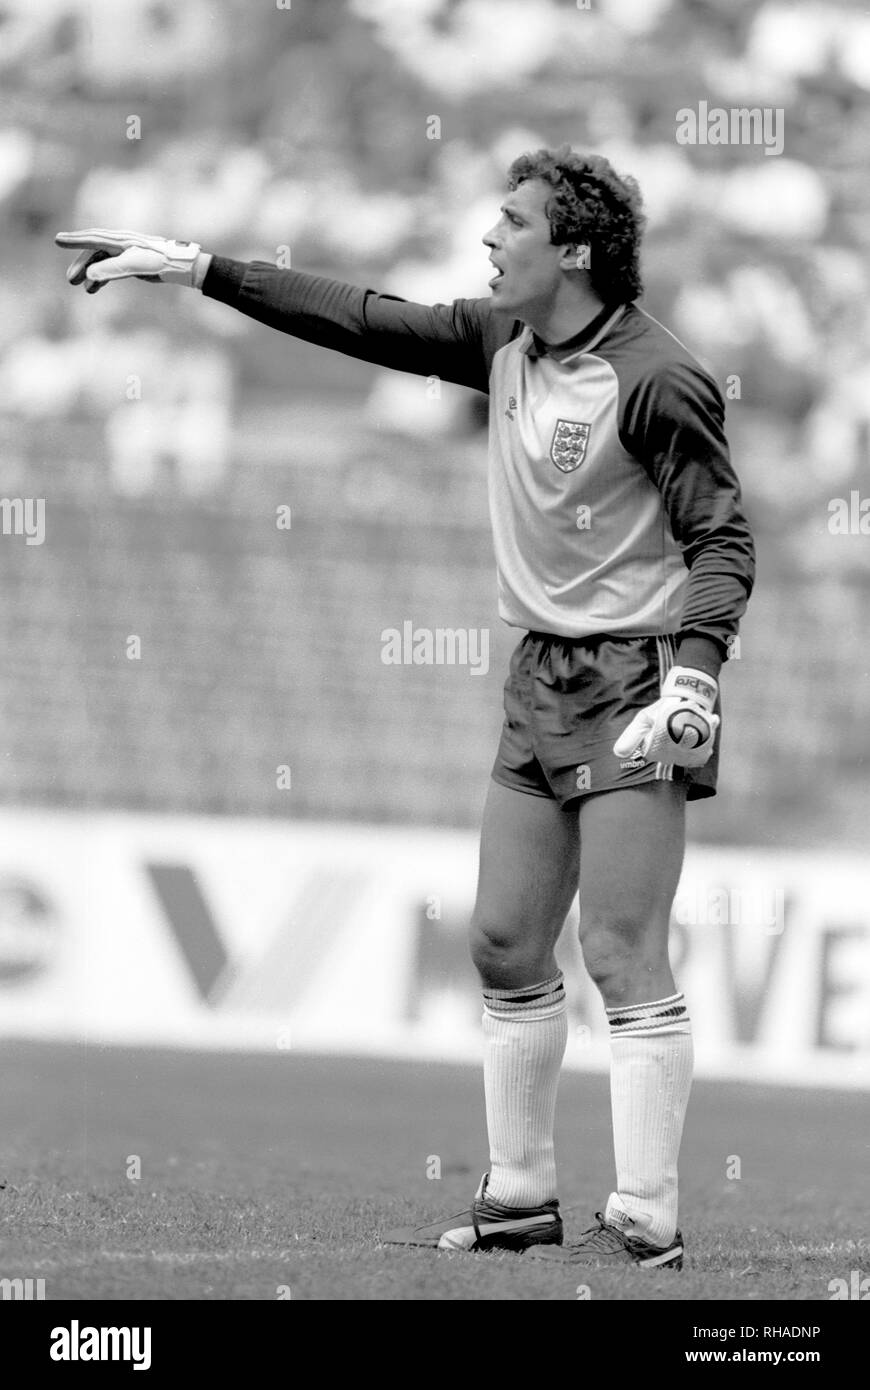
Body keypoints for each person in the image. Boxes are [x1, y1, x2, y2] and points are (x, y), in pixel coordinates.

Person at [56, 146, 755, 1269]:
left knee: (621, 949)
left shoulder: (656, 376)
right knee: (502, 941)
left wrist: (696, 672)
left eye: (511, 222)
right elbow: (365, 320)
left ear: (572, 251)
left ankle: (647, 1217)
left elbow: (722, 537)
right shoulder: (503, 342)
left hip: (636, 677)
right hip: (540, 679)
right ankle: (521, 1196)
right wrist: (196, 270)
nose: (489, 238)